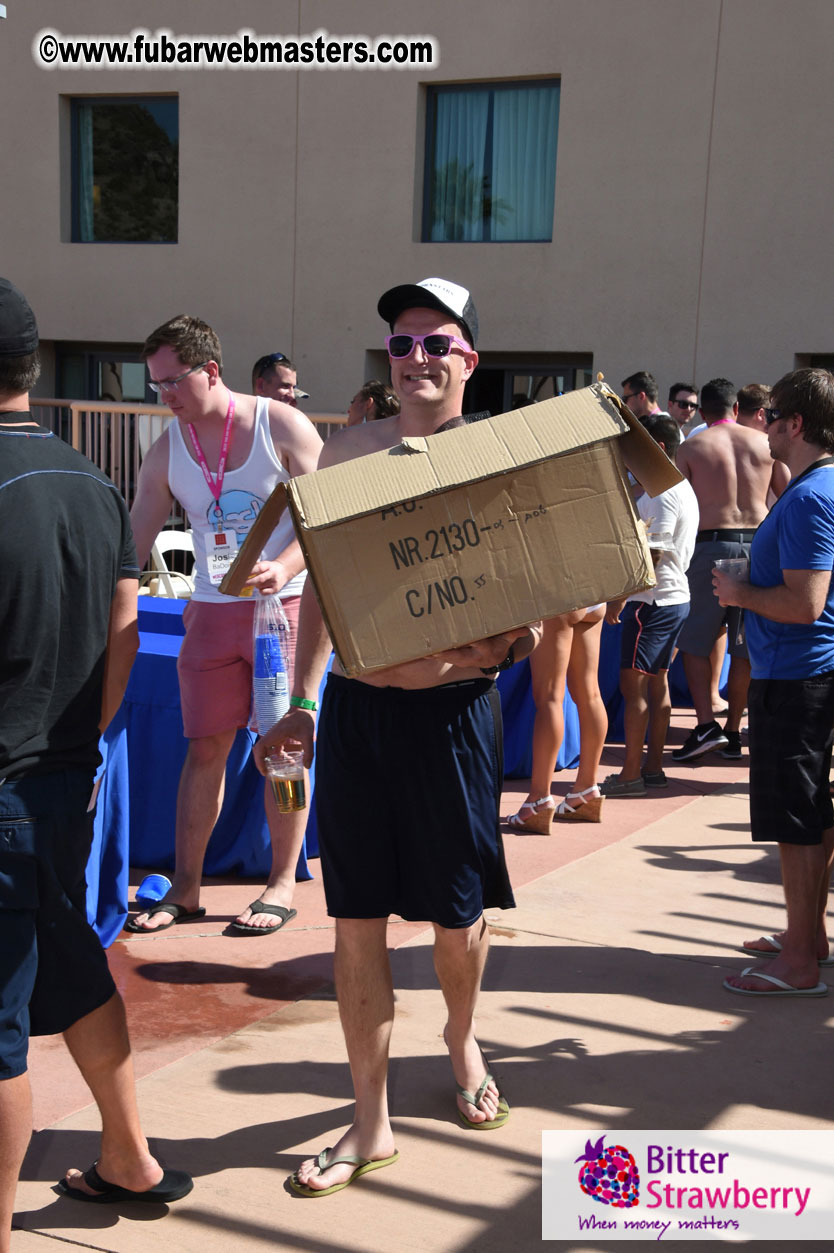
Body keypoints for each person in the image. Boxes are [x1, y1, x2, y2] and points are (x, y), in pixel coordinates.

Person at [256, 277, 542, 1195]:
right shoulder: (346, 455)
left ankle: (461, 1039)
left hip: (453, 715)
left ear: (469, 359)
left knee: (457, 922)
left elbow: (544, 591)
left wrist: (517, 633)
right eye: (401, 343)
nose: (415, 357)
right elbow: (326, 592)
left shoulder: (501, 458)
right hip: (360, 714)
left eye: (435, 342)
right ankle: (369, 1119)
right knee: (355, 921)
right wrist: (301, 701)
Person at [0, 277, 191, 1235]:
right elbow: (126, 628)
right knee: (73, 963)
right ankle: (127, 1155)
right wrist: (85, 744)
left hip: (7, 782)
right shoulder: (93, 481)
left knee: (1, 1029)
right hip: (66, 775)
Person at [127, 316, 322, 934]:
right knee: (203, 750)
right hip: (211, 616)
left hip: (281, 613)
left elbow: (331, 522)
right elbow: (133, 547)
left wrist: (284, 565)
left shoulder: (280, 424)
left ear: (211, 370)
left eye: (174, 382)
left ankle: (282, 882)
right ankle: (186, 888)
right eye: (155, 385)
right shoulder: (166, 449)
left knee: (285, 753)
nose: (166, 397)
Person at [716, 368, 834, 997]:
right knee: (812, 812)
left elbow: (806, 603)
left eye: (770, 418)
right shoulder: (818, 488)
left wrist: (739, 591)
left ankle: (800, 965)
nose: (761, 429)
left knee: (796, 820)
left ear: (794, 425)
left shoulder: (814, 495)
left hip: (798, 673)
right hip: (805, 670)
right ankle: (805, 939)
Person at [672, 378, 789, 761]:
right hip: (758, 545)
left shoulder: (691, 446)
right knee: (744, 646)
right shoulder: (764, 443)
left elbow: (678, 503)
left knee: (694, 641)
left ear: (703, 412)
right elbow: (788, 494)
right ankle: (735, 730)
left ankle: (706, 724)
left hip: (711, 544)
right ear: (736, 409)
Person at [601, 414, 699, 794]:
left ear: (656, 449)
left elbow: (652, 556)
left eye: (633, 450)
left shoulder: (662, 494)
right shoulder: (677, 487)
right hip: (671, 600)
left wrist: (617, 599)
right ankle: (652, 767)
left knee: (634, 688)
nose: (627, 458)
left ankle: (631, 774)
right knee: (657, 687)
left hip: (652, 604)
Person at [505, 606, 608, 829]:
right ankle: (586, 789)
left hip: (560, 596)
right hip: (595, 596)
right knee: (590, 693)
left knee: (549, 698)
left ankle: (538, 800)